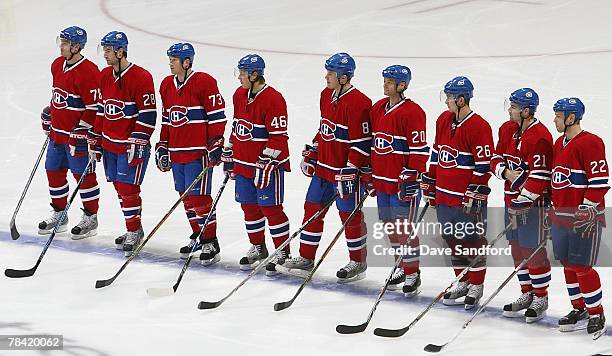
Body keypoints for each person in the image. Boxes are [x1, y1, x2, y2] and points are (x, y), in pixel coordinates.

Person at [278, 52, 372, 283]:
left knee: (349, 216)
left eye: (331, 73)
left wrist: (351, 168)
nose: (326, 77)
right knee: (311, 208)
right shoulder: (326, 95)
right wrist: (315, 149)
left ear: (343, 77)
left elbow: (361, 143)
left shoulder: (360, 103)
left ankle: (358, 261)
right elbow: (325, 130)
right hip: (323, 170)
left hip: (345, 174)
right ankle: (306, 258)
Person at [421, 76, 494, 309]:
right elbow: (436, 153)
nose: (446, 102)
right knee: (451, 239)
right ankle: (462, 280)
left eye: (450, 97)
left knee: (471, 240)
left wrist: (474, 193)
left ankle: (476, 284)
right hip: (443, 195)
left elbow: (484, 166)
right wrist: (430, 181)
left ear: (461, 100)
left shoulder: (479, 126)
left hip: (465, 199)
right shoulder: (443, 120)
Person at [156, 43, 227, 265]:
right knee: (185, 197)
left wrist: (215, 142)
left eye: (174, 59)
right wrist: (163, 144)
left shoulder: (204, 81)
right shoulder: (167, 85)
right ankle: (198, 234)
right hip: (177, 152)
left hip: (198, 153)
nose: (170, 63)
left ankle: (210, 241)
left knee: (200, 199)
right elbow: (167, 119)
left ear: (186, 62)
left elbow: (217, 116)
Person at [88, 31, 156, 257]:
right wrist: (96, 137)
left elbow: (148, 113)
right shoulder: (104, 75)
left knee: (128, 188)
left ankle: (134, 230)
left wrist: (138, 140)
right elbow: (101, 109)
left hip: (130, 145)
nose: (105, 55)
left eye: (108, 50)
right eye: (104, 49)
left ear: (120, 51)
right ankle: (133, 227)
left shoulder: (141, 77)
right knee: (119, 186)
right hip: (110, 145)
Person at [221, 54, 291, 276]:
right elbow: (238, 126)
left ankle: (283, 252)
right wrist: (230, 149)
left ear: (254, 75)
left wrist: (267, 160)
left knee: (271, 208)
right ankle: (258, 247)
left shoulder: (274, 99)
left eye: (242, 73)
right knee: (249, 207)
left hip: (266, 168)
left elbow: (279, 137)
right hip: (243, 165)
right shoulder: (239, 95)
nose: (239, 77)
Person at [491, 88, 553, 322]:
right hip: (511, 201)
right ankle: (526, 292)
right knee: (516, 248)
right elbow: (495, 158)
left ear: (526, 111)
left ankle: (540, 296)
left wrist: (523, 198)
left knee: (532, 249)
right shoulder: (507, 129)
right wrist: (506, 172)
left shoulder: (541, 137)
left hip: (533, 205)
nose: (510, 109)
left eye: (514, 107)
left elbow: (541, 175)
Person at [550, 97, 609, 339]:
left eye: (558, 116)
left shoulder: (591, 143)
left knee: (582, 266)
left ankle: (597, 313)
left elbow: (600, 182)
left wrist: (586, 209)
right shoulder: (559, 143)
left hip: (585, 218)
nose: (554, 119)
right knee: (566, 263)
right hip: (561, 216)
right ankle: (579, 309)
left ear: (571, 118)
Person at [369, 65, 428, 296]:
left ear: (402, 85)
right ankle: (400, 266)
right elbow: (373, 145)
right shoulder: (377, 109)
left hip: (402, 186)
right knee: (389, 227)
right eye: (384, 80)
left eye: (390, 81)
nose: (385, 85)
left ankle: (413, 272)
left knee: (405, 230)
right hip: (382, 182)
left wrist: (413, 175)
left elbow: (420, 151)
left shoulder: (413, 113)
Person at [39, 26, 101, 239]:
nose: (61, 46)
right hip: (57, 134)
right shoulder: (57, 64)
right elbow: (58, 95)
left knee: (83, 176)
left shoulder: (90, 72)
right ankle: (59, 213)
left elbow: (94, 108)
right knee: (53, 172)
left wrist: (82, 129)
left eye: (65, 43)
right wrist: (50, 113)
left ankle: (91, 218)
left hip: (78, 138)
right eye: (61, 42)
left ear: (76, 46)